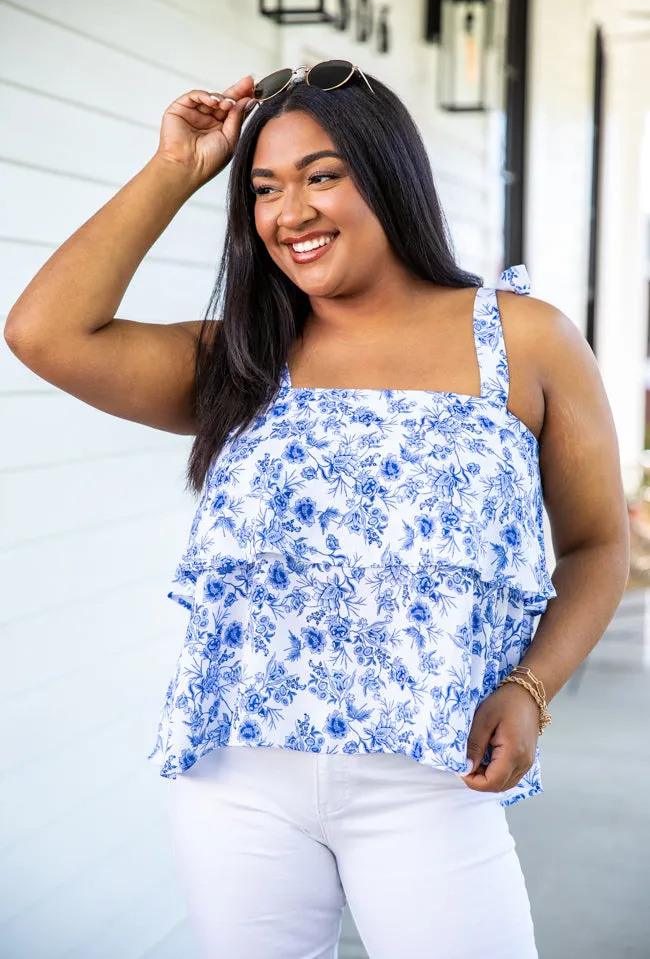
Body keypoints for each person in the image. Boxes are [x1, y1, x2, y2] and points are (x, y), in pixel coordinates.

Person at [4, 64, 630, 959]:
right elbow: (43, 333)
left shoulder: (521, 339)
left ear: (388, 176)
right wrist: (177, 170)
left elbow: (598, 544)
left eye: (321, 175)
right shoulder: (246, 360)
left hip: (431, 776)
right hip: (241, 780)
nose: (289, 212)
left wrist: (530, 689)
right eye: (264, 188)